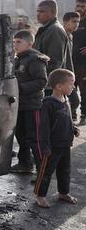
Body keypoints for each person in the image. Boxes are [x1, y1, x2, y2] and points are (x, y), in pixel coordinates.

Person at [34, 69, 80, 208]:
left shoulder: (66, 100)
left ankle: (63, 192)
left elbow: (68, 119)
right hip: (52, 146)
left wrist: (74, 129)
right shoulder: (49, 104)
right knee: (46, 172)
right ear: (59, 86)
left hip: (65, 144)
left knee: (65, 170)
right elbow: (44, 127)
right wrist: (45, 146)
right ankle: (39, 195)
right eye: (71, 84)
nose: (73, 86)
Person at [10, 30, 48, 174]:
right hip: (19, 105)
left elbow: (42, 81)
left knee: (35, 139)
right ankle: (24, 163)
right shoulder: (18, 58)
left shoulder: (35, 59)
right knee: (21, 135)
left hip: (32, 105)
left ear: (29, 43)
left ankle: (42, 170)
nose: (15, 45)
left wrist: (19, 88)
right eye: (14, 42)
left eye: (19, 42)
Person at [33, 0, 72, 75]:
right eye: (37, 11)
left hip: (55, 81)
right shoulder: (46, 29)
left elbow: (55, 63)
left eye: (42, 11)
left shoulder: (55, 30)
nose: (38, 14)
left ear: (52, 12)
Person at [63, 11, 81, 120]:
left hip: (69, 73)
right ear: (65, 22)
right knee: (74, 100)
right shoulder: (61, 34)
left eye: (78, 22)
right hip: (62, 74)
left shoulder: (70, 35)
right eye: (73, 21)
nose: (76, 24)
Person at [73, 0, 86, 125]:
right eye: (78, 6)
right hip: (72, 62)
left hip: (84, 64)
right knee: (71, 89)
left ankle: (84, 115)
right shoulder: (73, 21)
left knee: (84, 91)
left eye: (82, 6)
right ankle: (71, 116)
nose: (80, 9)